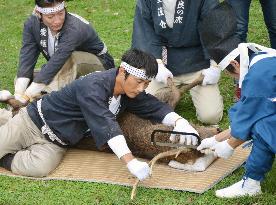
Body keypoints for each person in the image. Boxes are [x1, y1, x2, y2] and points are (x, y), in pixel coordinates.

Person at [0, 49, 199, 180]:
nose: (141, 88)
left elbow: (152, 106)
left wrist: (180, 122)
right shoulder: (93, 87)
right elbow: (106, 125)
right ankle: (8, 119)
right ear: (122, 72)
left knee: (40, 169)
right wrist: (130, 162)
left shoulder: (128, 91)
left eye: (146, 84)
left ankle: (5, 156)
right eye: (139, 82)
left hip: (56, 141)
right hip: (32, 123)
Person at [196, 2, 276, 198]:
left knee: (263, 127)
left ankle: (250, 184)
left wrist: (229, 146)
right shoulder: (263, 57)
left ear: (233, 63)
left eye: (230, 74)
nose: (234, 79)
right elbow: (248, 114)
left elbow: (253, 120)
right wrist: (214, 139)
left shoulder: (258, 76)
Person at [131, 0, 224, 125]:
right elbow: (144, 33)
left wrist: (215, 65)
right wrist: (157, 64)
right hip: (163, 65)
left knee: (211, 116)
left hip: (197, 64)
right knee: (143, 108)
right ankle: (171, 93)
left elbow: (214, 27)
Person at [14, 0, 114, 103]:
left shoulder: (74, 28)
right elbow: (27, 58)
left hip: (100, 66)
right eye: (50, 17)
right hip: (63, 69)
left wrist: (26, 95)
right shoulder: (32, 25)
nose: (57, 21)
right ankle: (39, 98)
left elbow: (57, 62)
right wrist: (18, 93)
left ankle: (45, 99)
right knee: (23, 79)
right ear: (39, 14)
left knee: (71, 58)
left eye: (61, 13)